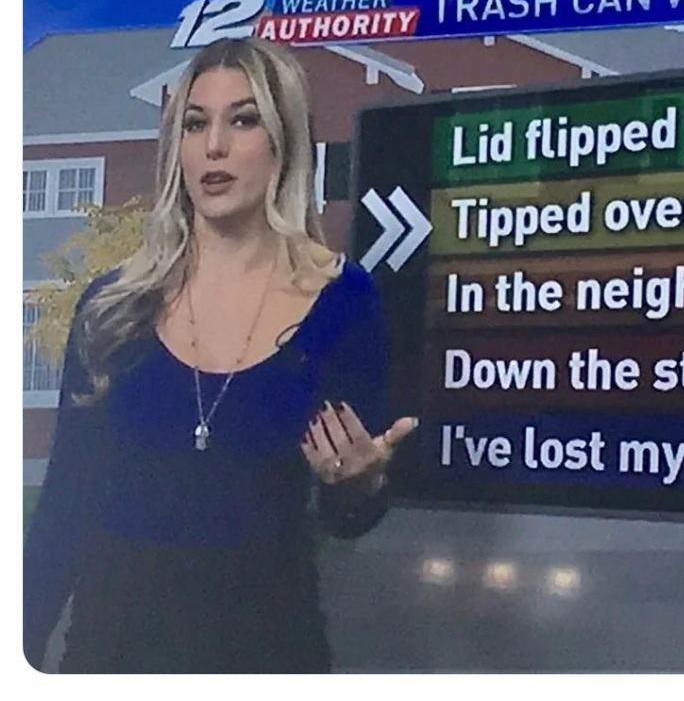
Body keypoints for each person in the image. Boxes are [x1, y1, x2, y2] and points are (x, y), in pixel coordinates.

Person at [24, 37, 416, 672]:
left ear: (284, 140)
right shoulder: (112, 307)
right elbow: (66, 508)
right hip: (115, 651)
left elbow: (349, 516)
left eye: (243, 119)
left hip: (267, 646)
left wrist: (361, 485)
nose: (214, 147)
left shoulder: (343, 300)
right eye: (195, 123)